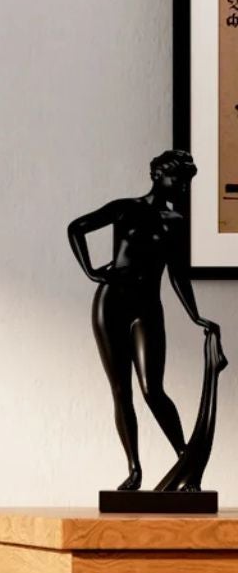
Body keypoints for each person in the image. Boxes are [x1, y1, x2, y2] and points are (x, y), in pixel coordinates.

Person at [67, 149, 225, 493]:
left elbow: (177, 273)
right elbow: (76, 228)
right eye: (179, 179)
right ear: (158, 175)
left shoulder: (176, 221)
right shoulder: (125, 208)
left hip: (147, 307)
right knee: (121, 391)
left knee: (152, 389)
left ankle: (185, 459)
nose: (183, 187)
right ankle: (134, 470)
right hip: (111, 304)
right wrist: (91, 271)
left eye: (187, 182)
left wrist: (195, 315)